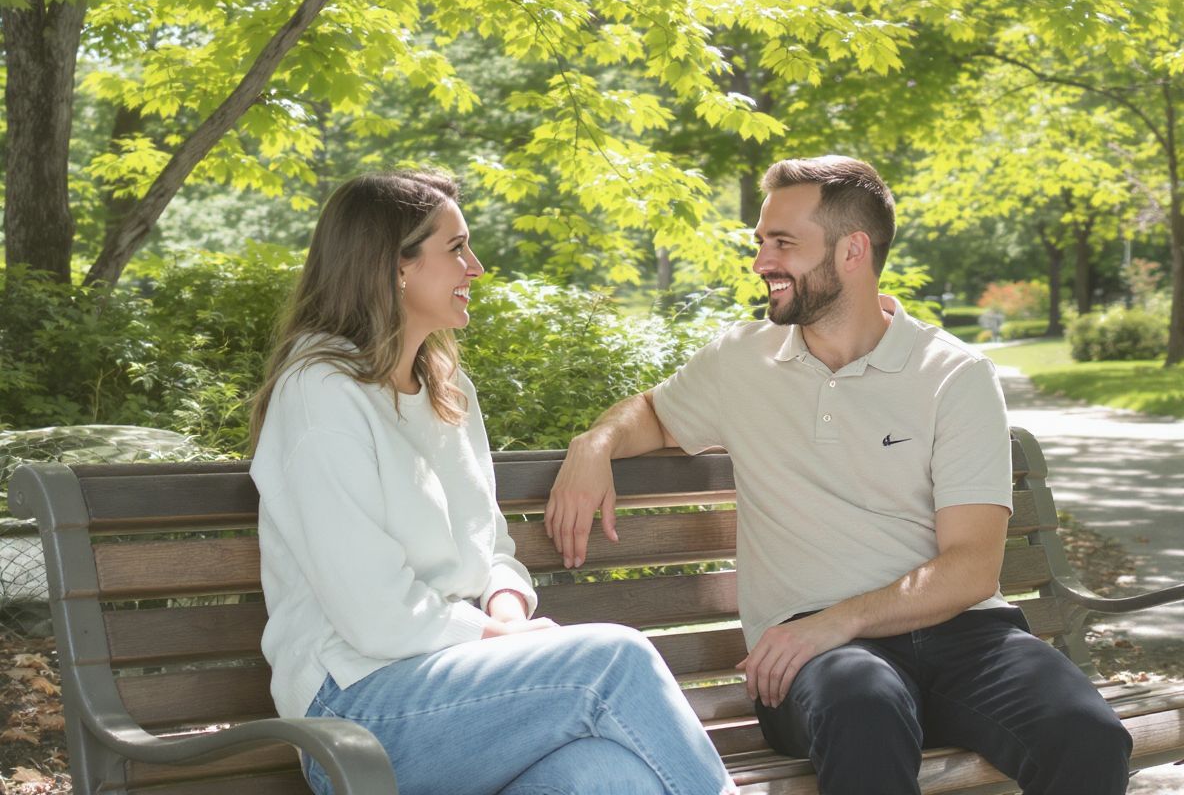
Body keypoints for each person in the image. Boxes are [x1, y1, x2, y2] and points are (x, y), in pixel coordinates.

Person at [546, 156, 1133, 794]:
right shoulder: (740, 361)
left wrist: (843, 618)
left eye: (783, 243)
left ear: (853, 251)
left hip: (963, 637)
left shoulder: (953, 375)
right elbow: (653, 414)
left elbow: (972, 567)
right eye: (761, 242)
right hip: (816, 658)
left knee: (1088, 735)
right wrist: (595, 443)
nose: (761, 261)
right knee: (864, 708)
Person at [249, 170, 736, 795]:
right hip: (355, 713)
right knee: (614, 659)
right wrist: (500, 637)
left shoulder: (447, 389)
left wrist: (506, 608)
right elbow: (373, 613)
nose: (475, 267)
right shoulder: (319, 394)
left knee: (607, 775)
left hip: (461, 688)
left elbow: (490, 548)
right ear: (395, 267)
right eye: (456, 249)